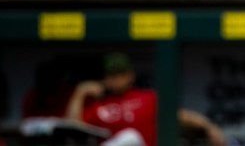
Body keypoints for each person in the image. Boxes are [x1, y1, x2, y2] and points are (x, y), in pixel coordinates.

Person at [66, 52, 225, 146]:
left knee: (131, 137)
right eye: (112, 76)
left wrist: (208, 125)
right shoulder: (98, 107)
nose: (117, 80)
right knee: (127, 138)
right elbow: (72, 130)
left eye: (121, 75)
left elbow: (180, 116)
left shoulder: (148, 98)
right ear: (104, 78)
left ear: (131, 76)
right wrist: (79, 93)